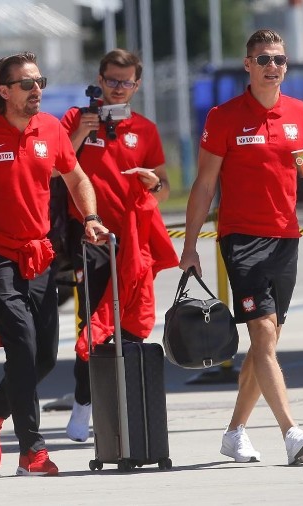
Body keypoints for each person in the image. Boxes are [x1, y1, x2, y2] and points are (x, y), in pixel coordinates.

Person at [179, 29, 303, 466]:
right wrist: (190, 246)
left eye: (279, 60)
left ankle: (233, 432)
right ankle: (291, 432)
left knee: (268, 345)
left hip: (286, 238)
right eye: (263, 59)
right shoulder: (224, 117)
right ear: (248, 65)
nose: (272, 67)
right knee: (262, 334)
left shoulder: (300, 113)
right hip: (241, 238)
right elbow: (205, 184)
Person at [0, 52, 107, 476]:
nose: (36, 89)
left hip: (39, 254)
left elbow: (76, 177)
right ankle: (32, 451)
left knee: (42, 358)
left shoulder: (51, 129)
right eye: (26, 84)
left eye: (39, 81)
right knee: (22, 345)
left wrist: (91, 218)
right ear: (4, 91)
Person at [59, 48, 179, 443]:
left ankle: (121, 403)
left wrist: (153, 184)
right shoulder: (77, 119)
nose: (116, 89)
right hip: (89, 235)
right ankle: (83, 402)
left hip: (134, 240)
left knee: (130, 321)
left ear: (136, 85)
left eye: (125, 82)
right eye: (111, 80)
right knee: (91, 322)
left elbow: (163, 187)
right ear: (100, 78)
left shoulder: (145, 129)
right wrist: (81, 132)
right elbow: (55, 169)